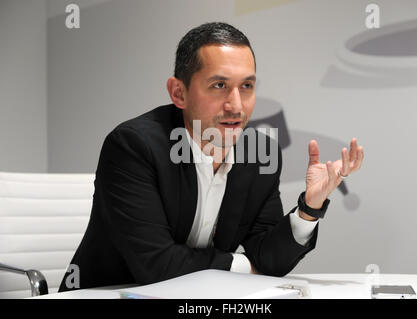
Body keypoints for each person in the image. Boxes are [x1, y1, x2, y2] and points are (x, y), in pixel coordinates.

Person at [59, 22, 364, 292]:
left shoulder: (260, 154)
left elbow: (269, 257)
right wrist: (245, 266)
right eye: (219, 86)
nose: (236, 105)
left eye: (246, 86)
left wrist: (309, 207)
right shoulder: (133, 146)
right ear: (179, 93)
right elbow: (156, 266)